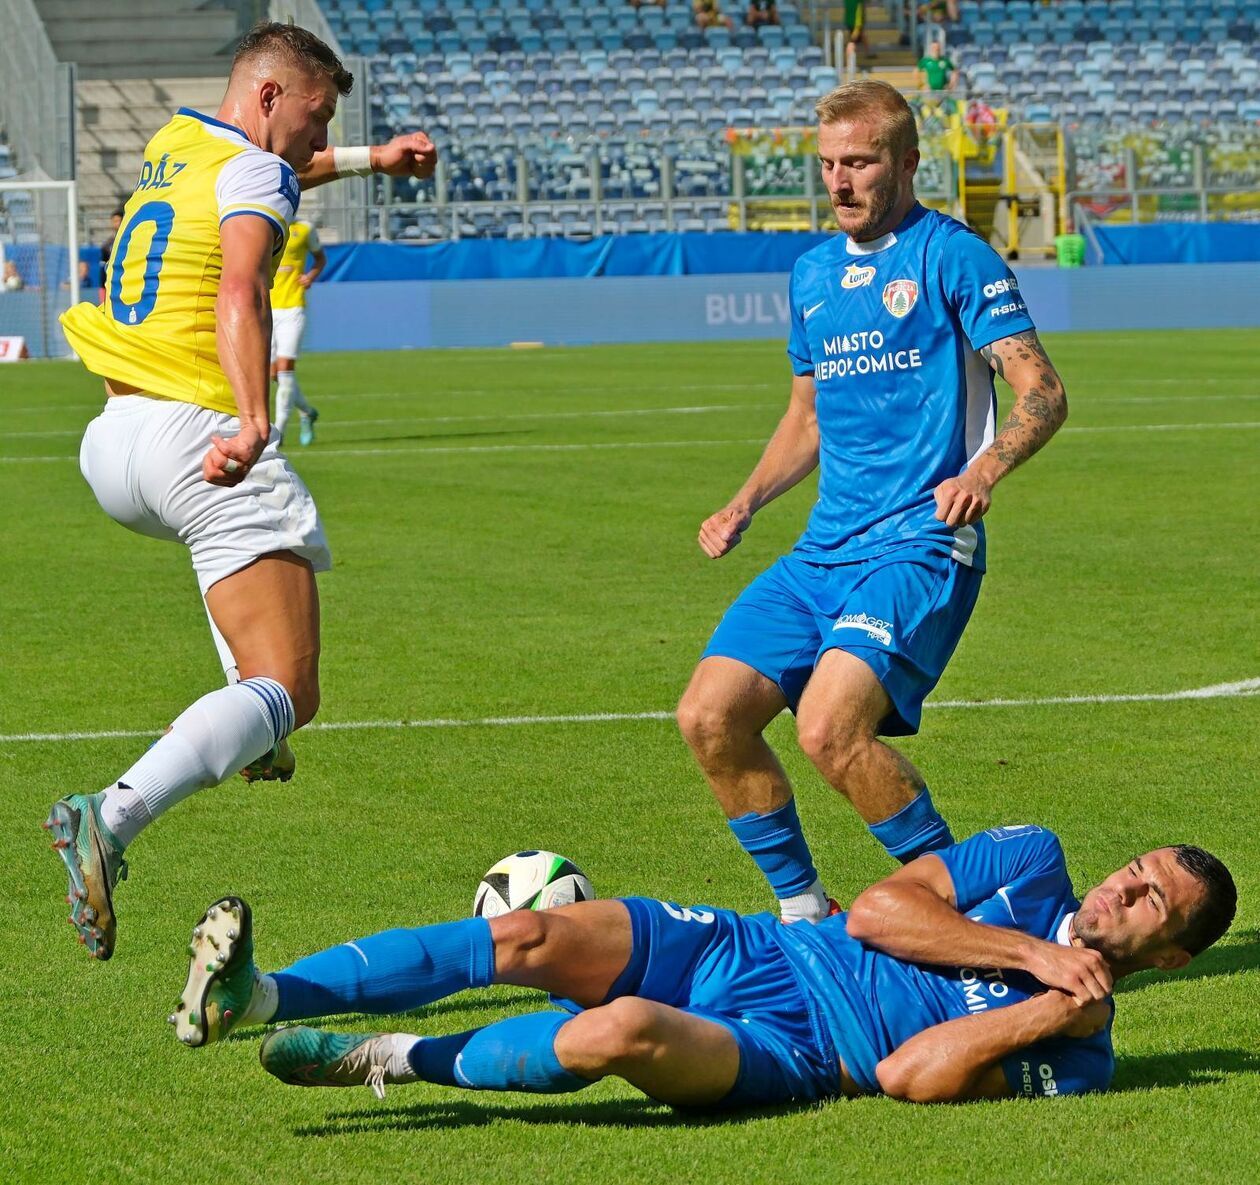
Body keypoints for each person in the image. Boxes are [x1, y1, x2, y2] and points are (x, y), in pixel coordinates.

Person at [46, 21, 438, 962]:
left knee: (255, 658)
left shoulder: (175, 146)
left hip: (114, 443)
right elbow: (241, 289)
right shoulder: (256, 176)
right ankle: (113, 816)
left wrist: (369, 159)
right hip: (198, 433)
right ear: (269, 97)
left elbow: (274, 171)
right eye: (316, 116)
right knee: (290, 689)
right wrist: (255, 418)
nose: (316, 138)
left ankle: (245, 720)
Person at [676, 80, 1069, 924]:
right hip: (823, 552)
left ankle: (969, 913)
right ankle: (805, 911)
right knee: (709, 716)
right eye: (827, 165)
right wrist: (744, 502)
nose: (840, 181)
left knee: (827, 727)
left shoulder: (951, 256)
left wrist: (982, 472)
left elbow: (1042, 390)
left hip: (921, 545)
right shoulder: (813, 273)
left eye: (860, 162)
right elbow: (805, 417)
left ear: (907, 162)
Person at [169, 827, 1236, 1108]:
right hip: (751, 944)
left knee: (616, 1031)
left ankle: (387, 1060)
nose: (1120, 891)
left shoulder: (1084, 1059)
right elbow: (875, 913)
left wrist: (1045, 1013)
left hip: (790, 1051)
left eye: (1149, 902)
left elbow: (912, 1077)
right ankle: (257, 993)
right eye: (1133, 869)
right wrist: (1033, 954)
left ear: (1171, 954)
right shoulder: (1031, 864)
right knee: (529, 940)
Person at [269, 216, 326, 445]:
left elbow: (320, 258)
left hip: (293, 307)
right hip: (270, 308)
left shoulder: (304, 229)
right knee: (273, 374)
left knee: (285, 369)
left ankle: (279, 432)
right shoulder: (269, 224)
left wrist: (310, 276)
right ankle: (306, 411)